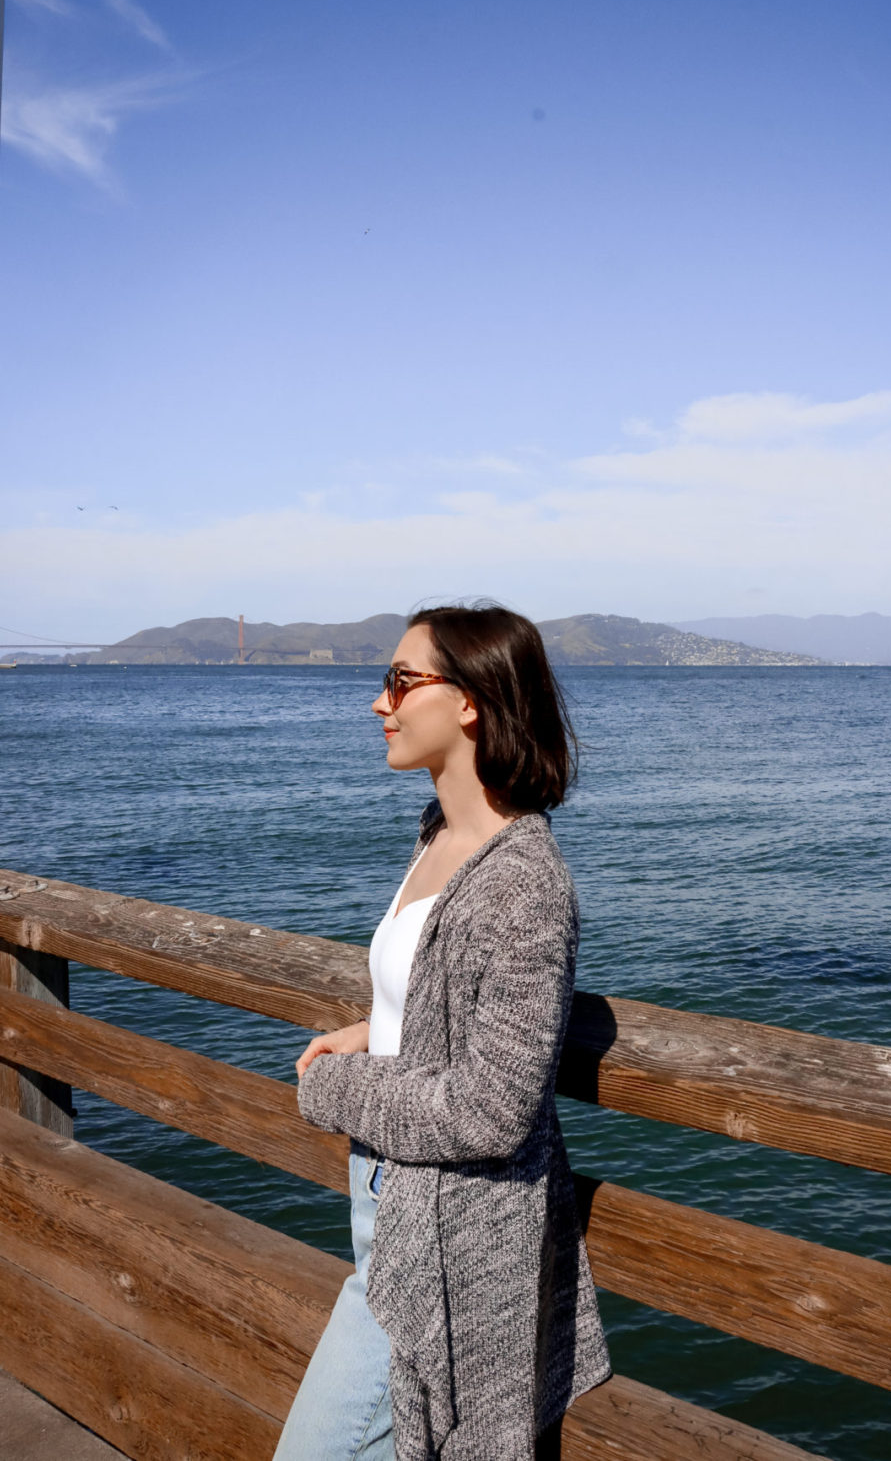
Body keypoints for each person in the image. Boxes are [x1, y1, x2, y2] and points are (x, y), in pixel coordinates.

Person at [273, 602, 613, 1461]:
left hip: (436, 1220)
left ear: (469, 700)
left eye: (399, 681)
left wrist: (331, 1088)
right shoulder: (436, 837)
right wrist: (368, 1029)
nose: (378, 703)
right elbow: (429, 999)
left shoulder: (527, 884)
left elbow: (494, 1110)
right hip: (384, 1191)